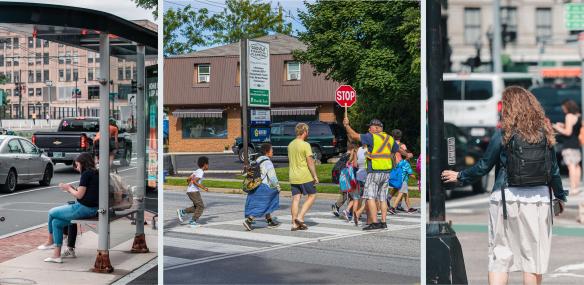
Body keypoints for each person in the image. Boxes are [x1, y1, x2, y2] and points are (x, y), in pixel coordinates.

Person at [442, 86, 566, 285]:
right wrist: (560, 196)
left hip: (505, 198)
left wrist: (460, 176)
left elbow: (484, 166)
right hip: (539, 200)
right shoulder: (544, 133)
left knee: (500, 254)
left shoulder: (504, 134)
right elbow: (554, 171)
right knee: (533, 257)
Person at [344, 118, 410, 231]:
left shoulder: (372, 137)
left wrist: (346, 125)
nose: (369, 129)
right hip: (386, 172)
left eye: (370, 127)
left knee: (370, 197)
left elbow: (354, 136)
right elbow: (397, 149)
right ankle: (383, 222)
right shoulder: (389, 138)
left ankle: (374, 223)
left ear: (376, 128)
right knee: (383, 198)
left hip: (374, 171)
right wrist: (407, 154)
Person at [38, 153, 99, 263]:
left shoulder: (86, 173)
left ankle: (50, 241)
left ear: (83, 163)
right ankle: (56, 255)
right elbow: (87, 192)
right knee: (56, 222)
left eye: (77, 165)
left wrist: (68, 188)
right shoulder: (95, 173)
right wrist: (71, 188)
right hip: (93, 209)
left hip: (83, 208)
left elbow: (79, 195)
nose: (77, 168)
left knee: (52, 212)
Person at [243, 143, 281, 231]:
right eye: (271, 151)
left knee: (266, 203)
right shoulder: (268, 162)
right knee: (263, 204)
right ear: (267, 153)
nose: (272, 153)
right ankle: (249, 220)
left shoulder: (257, 161)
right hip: (263, 186)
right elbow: (272, 177)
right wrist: (277, 187)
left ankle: (269, 221)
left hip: (255, 185)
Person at [288, 123, 319, 231]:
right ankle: (300, 218)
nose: (308, 134)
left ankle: (294, 223)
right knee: (312, 195)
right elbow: (310, 162)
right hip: (304, 176)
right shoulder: (305, 145)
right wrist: (315, 175)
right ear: (304, 132)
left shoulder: (290, 145)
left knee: (296, 199)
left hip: (293, 176)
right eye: (308, 132)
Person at [552, 98, 581, 195]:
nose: (562, 109)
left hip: (569, 145)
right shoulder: (578, 116)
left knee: (571, 166)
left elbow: (568, 132)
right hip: (576, 144)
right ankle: (576, 186)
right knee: (577, 166)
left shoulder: (568, 116)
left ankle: (573, 188)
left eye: (563, 107)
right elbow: (573, 128)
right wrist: (564, 125)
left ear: (567, 107)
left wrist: (558, 128)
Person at [177, 156, 209, 228]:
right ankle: (192, 222)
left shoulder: (197, 170)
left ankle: (182, 212)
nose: (208, 166)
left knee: (196, 206)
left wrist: (190, 186)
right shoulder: (201, 172)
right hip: (194, 191)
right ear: (205, 164)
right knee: (201, 206)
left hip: (190, 191)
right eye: (208, 164)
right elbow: (195, 181)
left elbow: (188, 179)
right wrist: (204, 188)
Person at [331, 142, 359, 219]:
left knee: (348, 194)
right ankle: (349, 211)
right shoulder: (350, 156)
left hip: (343, 178)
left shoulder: (343, 156)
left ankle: (349, 211)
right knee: (352, 195)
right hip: (349, 179)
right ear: (354, 150)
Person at [386, 129, 409, 213]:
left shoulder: (390, 145)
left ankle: (397, 204)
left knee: (398, 186)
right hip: (400, 167)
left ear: (393, 136)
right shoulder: (402, 146)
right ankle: (394, 203)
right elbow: (405, 156)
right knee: (401, 186)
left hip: (392, 166)